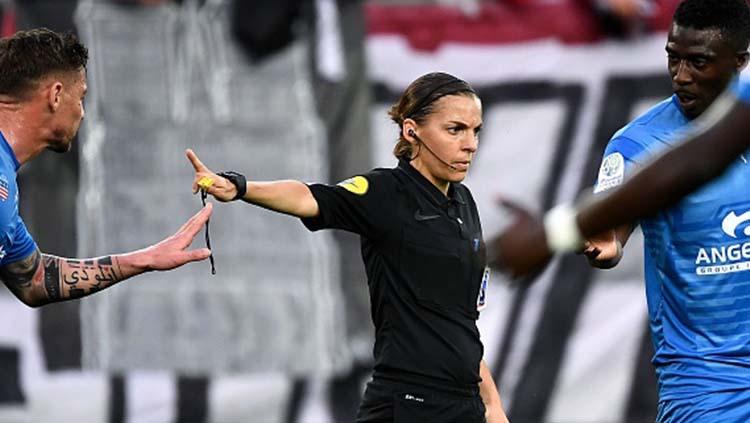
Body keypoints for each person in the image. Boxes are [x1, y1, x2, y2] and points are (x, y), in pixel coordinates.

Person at [187, 72, 509, 423]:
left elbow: (461, 321)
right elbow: (311, 196)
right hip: (408, 403)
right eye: (455, 129)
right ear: (411, 130)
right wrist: (241, 186)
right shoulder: (386, 192)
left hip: (465, 406)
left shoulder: (464, 202)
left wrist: (492, 404)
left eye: (475, 130)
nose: (471, 143)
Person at [493, 1, 750, 421]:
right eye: (673, 58)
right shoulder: (636, 143)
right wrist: (599, 239)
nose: (681, 76)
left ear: (740, 61)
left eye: (698, 62)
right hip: (707, 384)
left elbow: (702, 159)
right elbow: (614, 226)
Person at [0, 28, 213, 307]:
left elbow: (34, 278)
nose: (82, 112)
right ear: (56, 95)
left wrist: (146, 258)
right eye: (81, 98)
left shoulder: (7, 181)